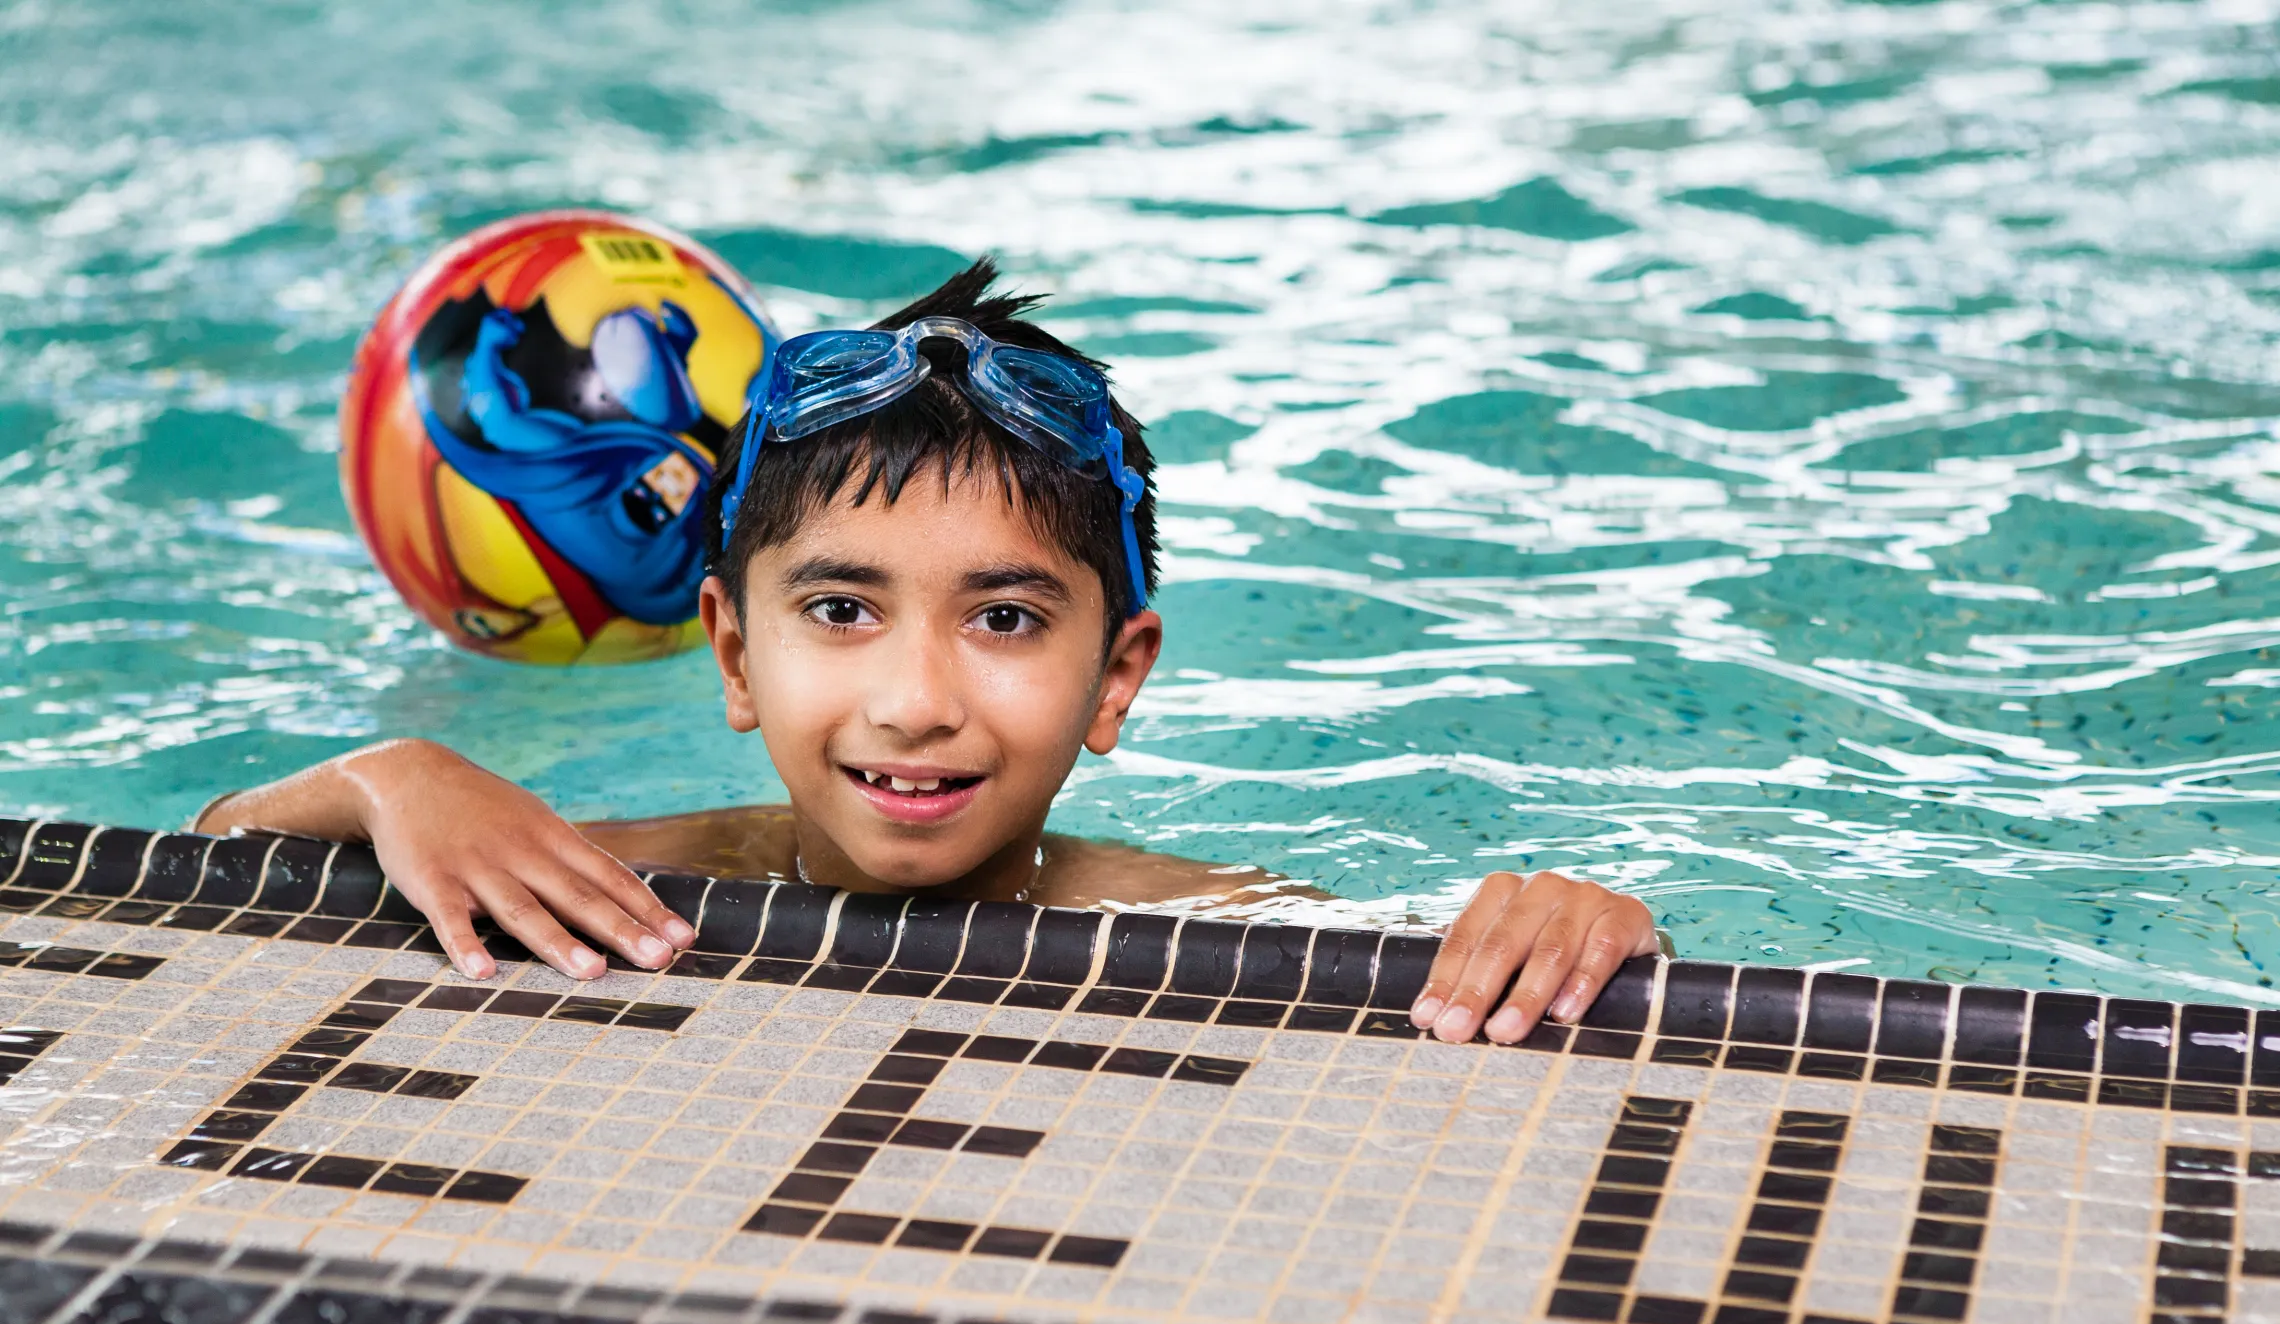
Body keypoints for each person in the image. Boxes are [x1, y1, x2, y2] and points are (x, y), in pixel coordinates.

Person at [196, 261, 1660, 1047]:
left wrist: (1577, 926)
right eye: (840, 612)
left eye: (1007, 620)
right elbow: (204, 867)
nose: (915, 701)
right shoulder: (621, 866)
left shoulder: (1208, 924)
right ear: (732, 652)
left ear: (1119, 675)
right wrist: (395, 780)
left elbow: (1465, 983)